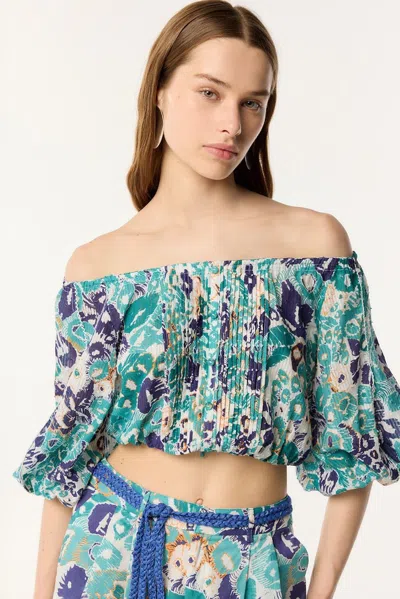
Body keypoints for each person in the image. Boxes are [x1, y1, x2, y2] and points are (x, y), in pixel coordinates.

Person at [12, 2, 400, 598]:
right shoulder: (98, 268)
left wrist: (320, 591)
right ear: (161, 92)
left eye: (253, 103)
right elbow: (71, 455)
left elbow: (354, 433)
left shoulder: (316, 249)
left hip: (256, 563)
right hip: (114, 551)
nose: (232, 124)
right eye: (209, 93)